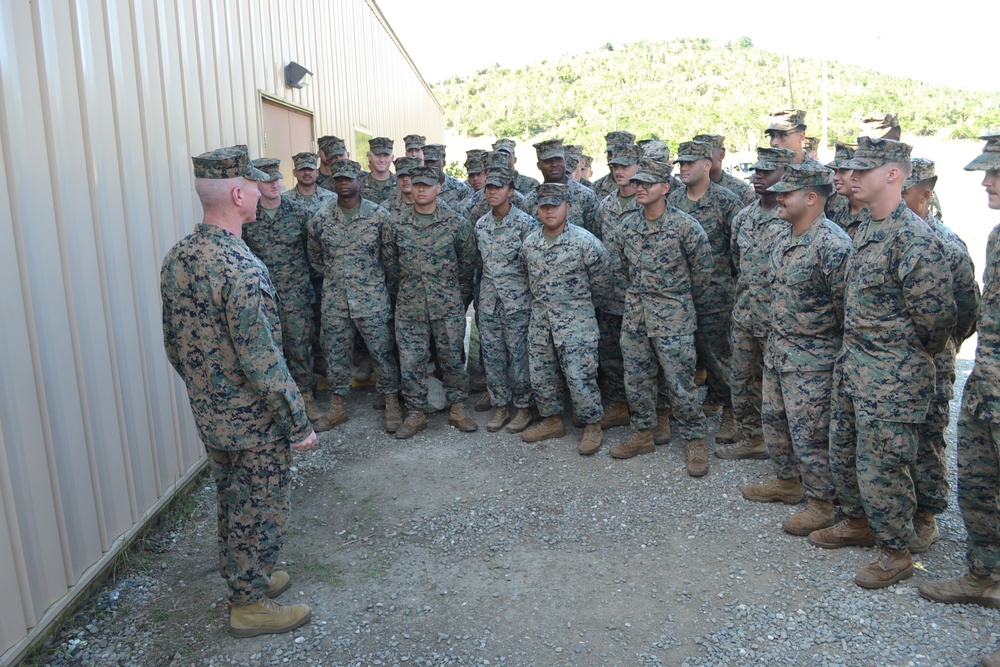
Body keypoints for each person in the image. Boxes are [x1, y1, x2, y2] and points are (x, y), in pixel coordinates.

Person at [160, 145, 315, 637]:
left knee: (232, 500)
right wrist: (297, 423)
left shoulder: (178, 256)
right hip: (254, 420)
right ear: (236, 193)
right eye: (252, 185)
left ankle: (249, 578)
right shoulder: (241, 267)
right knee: (261, 505)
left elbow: (174, 346)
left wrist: (209, 394)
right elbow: (263, 359)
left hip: (211, 413)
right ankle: (247, 606)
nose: (258, 191)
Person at [807, 137, 956, 589]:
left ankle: (896, 551)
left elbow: (939, 323)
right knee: (847, 453)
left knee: (884, 466)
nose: (849, 178)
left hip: (893, 379)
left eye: (861, 171)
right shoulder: (866, 227)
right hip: (855, 370)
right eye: (849, 171)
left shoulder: (915, 240)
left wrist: (896, 360)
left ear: (893, 174)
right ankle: (857, 521)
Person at [918, 131, 1000, 667]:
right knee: (978, 489)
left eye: (995, 172)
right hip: (988, 386)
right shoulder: (997, 234)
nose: (986, 181)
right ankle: (985, 575)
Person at [740, 163, 852, 536]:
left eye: (787, 193)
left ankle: (822, 502)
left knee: (812, 434)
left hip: (813, 361)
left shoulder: (833, 245)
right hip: (779, 352)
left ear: (811, 198)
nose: (779, 197)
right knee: (775, 423)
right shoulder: (784, 236)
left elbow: (845, 309)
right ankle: (788, 482)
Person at [605, 158, 715, 475]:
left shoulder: (685, 227)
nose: (639, 188)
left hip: (673, 317)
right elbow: (623, 269)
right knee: (637, 380)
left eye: (647, 184)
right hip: (637, 315)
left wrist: (674, 299)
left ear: (665, 188)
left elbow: (703, 274)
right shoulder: (627, 226)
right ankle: (643, 433)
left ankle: (695, 441)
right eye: (636, 183)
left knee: (681, 384)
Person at [901, 157, 980, 553]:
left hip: (933, 360)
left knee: (928, 436)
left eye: (903, 193)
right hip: (893, 364)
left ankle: (927, 515)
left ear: (924, 195)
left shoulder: (945, 246)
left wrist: (945, 349)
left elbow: (967, 311)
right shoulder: (886, 235)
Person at [307, 159, 403, 433]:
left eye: (349, 179)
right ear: (333, 183)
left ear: (359, 181)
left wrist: (370, 283)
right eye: (339, 179)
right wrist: (338, 278)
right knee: (335, 355)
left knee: (382, 353)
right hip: (336, 302)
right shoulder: (321, 218)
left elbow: (389, 260)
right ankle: (337, 407)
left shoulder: (378, 216)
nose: (344, 183)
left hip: (371, 301)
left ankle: (391, 402)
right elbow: (315, 258)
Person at [383, 166, 478, 438]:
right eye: (416, 185)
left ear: (439, 187)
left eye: (427, 185)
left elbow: (467, 266)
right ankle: (415, 412)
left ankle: (458, 407)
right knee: (411, 362)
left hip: (447, 305)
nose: (421, 189)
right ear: (409, 187)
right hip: (410, 306)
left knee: (451, 358)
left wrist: (456, 300)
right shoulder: (396, 224)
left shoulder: (456, 223)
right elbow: (392, 267)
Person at [520, 183, 613, 455]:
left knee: (580, 377)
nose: (549, 211)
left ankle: (592, 425)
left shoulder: (585, 242)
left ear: (567, 208)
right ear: (537, 209)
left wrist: (581, 308)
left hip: (576, 324)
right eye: (544, 206)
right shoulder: (530, 244)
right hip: (541, 322)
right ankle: (551, 420)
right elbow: (530, 280)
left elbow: (603, 282)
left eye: (555, 205)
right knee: (542, 375)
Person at [717, 147, 796, 461]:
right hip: (747, 315)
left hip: (780, 320)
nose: (758, 177)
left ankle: (787, 449)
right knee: (742, 377)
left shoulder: (793, 218)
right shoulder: (744, 217)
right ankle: (753, 436)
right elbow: (738, 263)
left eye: (766, 172)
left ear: (785, 175)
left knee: (780, 388)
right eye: (757, 171)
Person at [667, 140, 742, 433]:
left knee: (719, 354)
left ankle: (733, 410)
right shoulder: (673, 200)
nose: (683, 168)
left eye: (689, 163)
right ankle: (705, 399)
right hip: (681, 295)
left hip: (716, 295)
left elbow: (737, 250)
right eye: (680, 164)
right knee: (689, 353)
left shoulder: (727, 202)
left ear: (707, 165)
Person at [241, 158, 321, 421]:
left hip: (297, 298)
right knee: (271, 353)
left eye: (276, 179)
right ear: (256, 184)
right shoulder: (248, 219)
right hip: (264, 299)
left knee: (300, 351)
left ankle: (306, 399)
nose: (274, 184)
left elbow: (314, 256)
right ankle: (279, 408)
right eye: (267, 180)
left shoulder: (300, 214)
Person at [474, 165, 541, 433]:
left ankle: (524, 407)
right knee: (492, 355)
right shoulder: (481, 225)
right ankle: (500, 405)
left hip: (518, 303)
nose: (492, 192)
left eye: (498, 187)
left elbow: (533, 266)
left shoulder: (526, 224)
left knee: (520, 357)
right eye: (489, 187)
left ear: (511, 191)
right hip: (490, 301)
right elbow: (480, 264)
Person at [593, 143, 644, 432]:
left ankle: (653, 411)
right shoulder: (606, 206)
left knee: (644, 357)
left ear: (638, 166)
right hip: (612, 295)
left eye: (625, 165)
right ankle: (618, 404)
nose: (619, 171)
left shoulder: (648, 202)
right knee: (611, 353)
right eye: (614, 166)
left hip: (640, 296)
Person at [523, 139, 600, 237]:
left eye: (558, 159)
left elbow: (596, 236)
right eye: (548, 161)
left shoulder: (585, 196)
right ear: (539, 165)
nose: (554, 164)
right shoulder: (530, 201)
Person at [693, 133, 755, 206]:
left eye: (706, 153)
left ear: (721, 155)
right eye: (696, 154)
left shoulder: (742, 191)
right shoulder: (686, 190)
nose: (700, 159)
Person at [359, 137, 398, 203]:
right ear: (369, 156)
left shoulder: (400, 185)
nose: (382, 160)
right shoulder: (359, 185)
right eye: (377, 155)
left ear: (392, 158)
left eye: (386, 155)